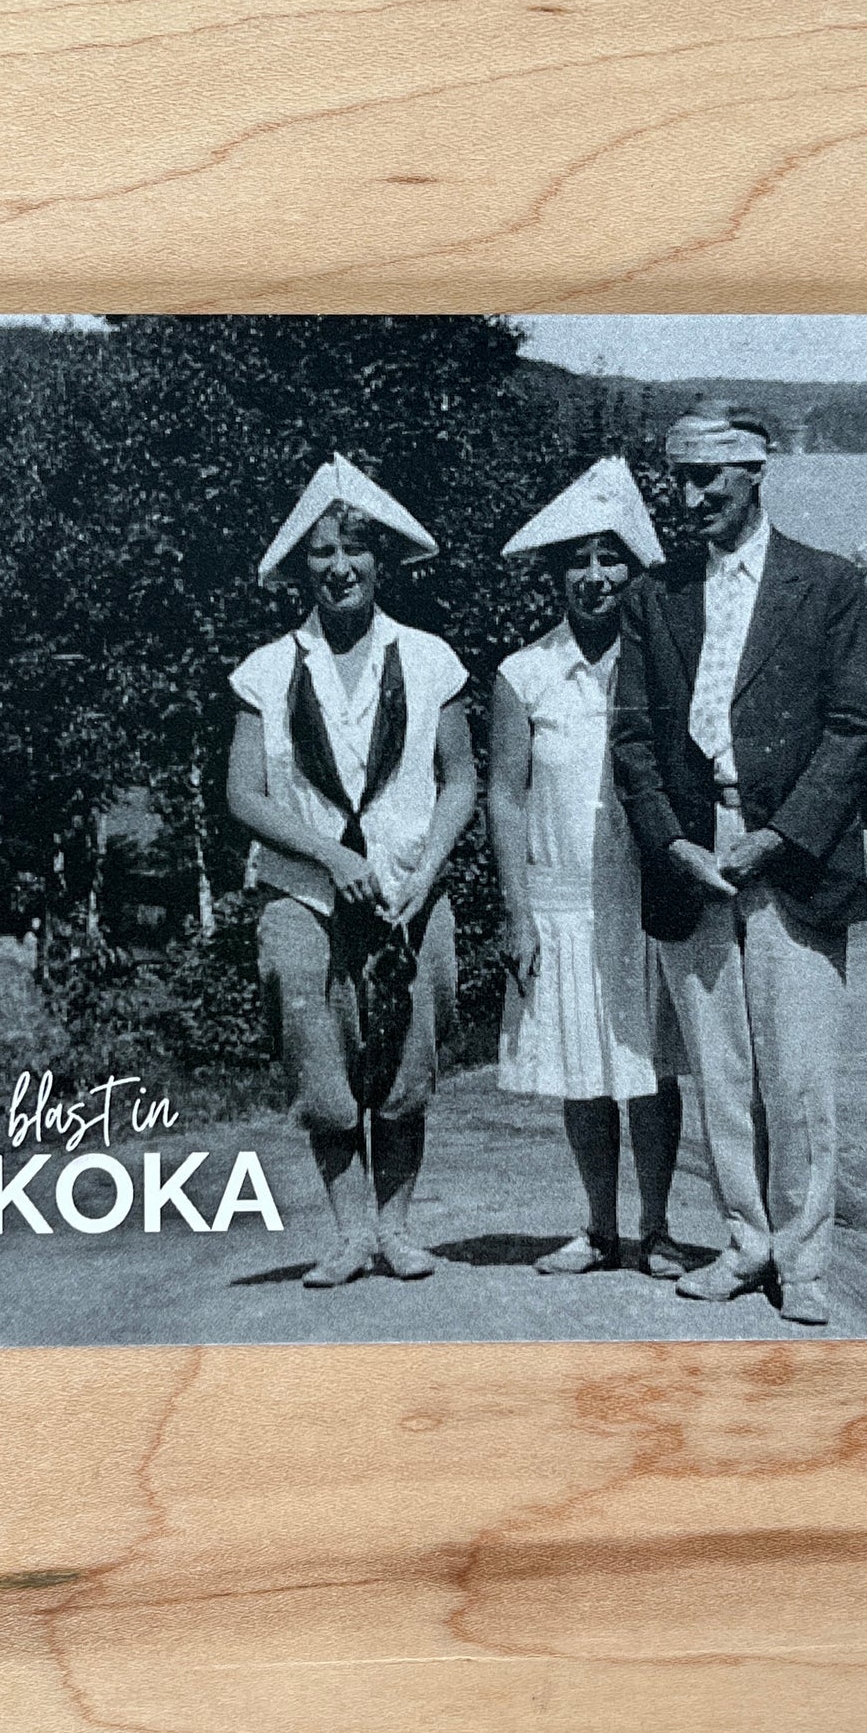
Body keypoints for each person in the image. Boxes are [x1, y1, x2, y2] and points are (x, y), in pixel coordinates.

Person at [612, 403, 867, 1324]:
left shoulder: (829, 585)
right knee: (721, 1072)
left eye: (709, 479)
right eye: (679, 479)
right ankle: (745, 1240)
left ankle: (802, 1259)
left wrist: (778, 838)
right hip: (692, 861)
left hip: (794, 862)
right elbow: (632, 739)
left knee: (797, 1076)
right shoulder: (653, 596)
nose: (691, 497)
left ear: (755, 471)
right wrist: (673, 843)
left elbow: (855, 729)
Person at [226, 455, 477, 1288]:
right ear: (302, 564)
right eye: (323, 551)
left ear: (382, 559)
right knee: (321, 1063)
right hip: (302, 894)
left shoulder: (431, 658)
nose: (340, 567)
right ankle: (349, 1234)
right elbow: (243, 793)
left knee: (407, 1064)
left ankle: (397, 1229)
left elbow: (461, 779)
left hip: (410, 890)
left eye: (356, 549)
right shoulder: (267, 669)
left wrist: (426, 872)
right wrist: (331, 855)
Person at [489, 458, 686, 1277]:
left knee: (648, 1067)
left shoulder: (662, 663)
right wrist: (517, 909)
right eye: (578, 560)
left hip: (647, 896)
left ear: (635, 569)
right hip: (563, 895)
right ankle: (599, 1228)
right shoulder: (524, 673)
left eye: (612, 558)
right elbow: (505, 795)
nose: (596, 576)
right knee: (583, 1067)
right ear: (556, 574)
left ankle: (657, 1228)